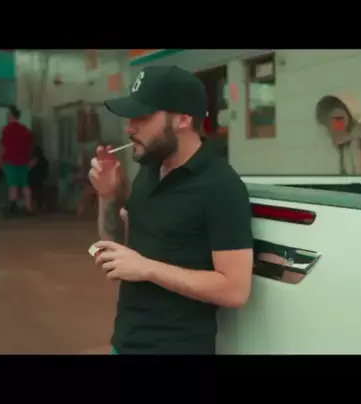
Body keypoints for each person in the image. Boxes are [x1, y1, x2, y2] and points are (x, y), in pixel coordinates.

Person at [88, 65, 254, 355]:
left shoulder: (220, 186)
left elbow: (235, 289)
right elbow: (118, 247)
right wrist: (107, 196)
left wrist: (148, 268)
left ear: (183, 119)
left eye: (141, 117)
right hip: (126, 342)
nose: (129, 127)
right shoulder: (149, 171)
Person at [0, 105, 33, 216]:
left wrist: (0, 160)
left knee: (12, 184)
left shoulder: (6, 129)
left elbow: (3, 146)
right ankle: (28, 207)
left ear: (10, 115)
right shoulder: (24, 129)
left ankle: (13, 208)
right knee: (25, 185)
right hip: (23, 161)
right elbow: (29, 145)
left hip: (10, 160)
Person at [28, 146, 49, 213]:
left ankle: (31, 206)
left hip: (33, 180)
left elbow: (28, 170)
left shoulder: (33, 161)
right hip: (41, 180)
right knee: (39, 192)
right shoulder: (44, 161)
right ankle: (39, 205)